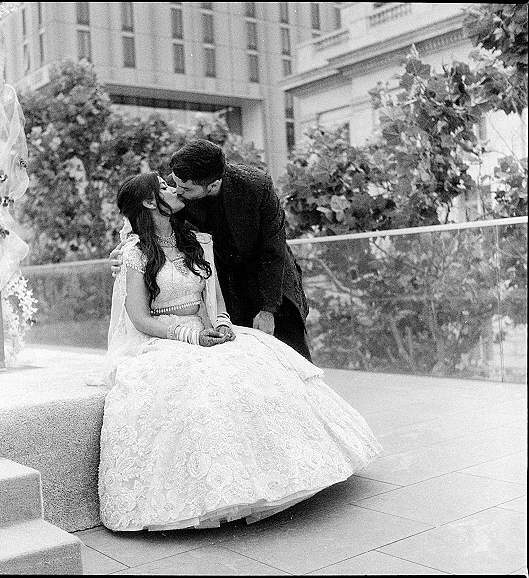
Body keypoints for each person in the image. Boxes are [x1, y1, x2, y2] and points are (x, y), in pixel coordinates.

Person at [96, 171, 382, 532]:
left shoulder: (197, 241)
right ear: (151, 202)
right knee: (199, 386)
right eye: (165, 187)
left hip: (207, 329)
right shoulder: (135, 255)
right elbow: (138, 317)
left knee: (258, 366)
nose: (174, 189)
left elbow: (213, 299)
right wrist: (189, 335)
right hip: (166, 337)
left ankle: (289, 472)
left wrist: (224, 324)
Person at [110, 139, 312, 361]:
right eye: (174, 184)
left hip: (273, 281)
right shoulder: (177, 186)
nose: (177, 191)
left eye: (185, 189)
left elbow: (274, 250)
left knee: (293, 359)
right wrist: (123, 253)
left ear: (213, 185)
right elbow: (145, 223)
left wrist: (268, 311)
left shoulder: (257, 186)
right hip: (228, 288)